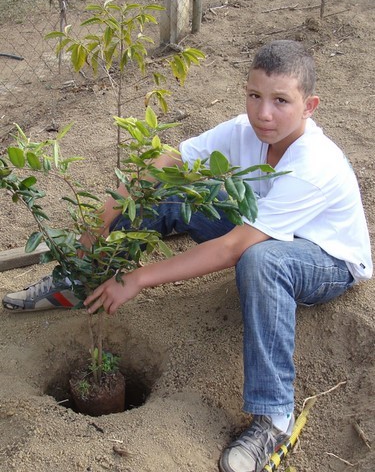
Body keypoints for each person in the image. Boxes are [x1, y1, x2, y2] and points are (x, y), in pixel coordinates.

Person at [2, 40, 372, 472]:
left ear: (309, 106)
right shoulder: (243, 130)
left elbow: (235, 248)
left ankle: (274, 419)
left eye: (281, 101)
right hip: (265, 230)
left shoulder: (314, 165)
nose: (263, 113)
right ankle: (78, 282)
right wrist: (101, 219)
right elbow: (168, 161)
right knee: (176, 190)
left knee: (263, 260)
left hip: (325, 262)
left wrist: (138, 278)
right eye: (254, 96)